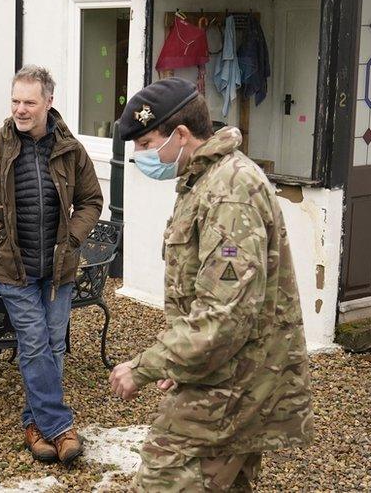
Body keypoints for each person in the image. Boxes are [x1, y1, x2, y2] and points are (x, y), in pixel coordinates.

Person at [108, 77, 313, 491]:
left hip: (234, 384)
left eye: (146, 144)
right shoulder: (206, 179)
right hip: (223, 374)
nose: (140, 157)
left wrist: (147, 366)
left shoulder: (230, 192)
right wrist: (183, 362)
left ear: (181, 135)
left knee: (160, 480)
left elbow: (224, 317)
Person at [0, 65, 103, 465]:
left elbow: (91, 200)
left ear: (49, 103)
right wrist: (0, 238)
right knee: (36, 342)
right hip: (13, 269)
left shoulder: (70, 149)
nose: (20, 110)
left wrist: (72, 236)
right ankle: (59, 426)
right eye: (15, 101)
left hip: (58, 268)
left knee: (53, 345)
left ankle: (34, 423)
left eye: (29, 102)